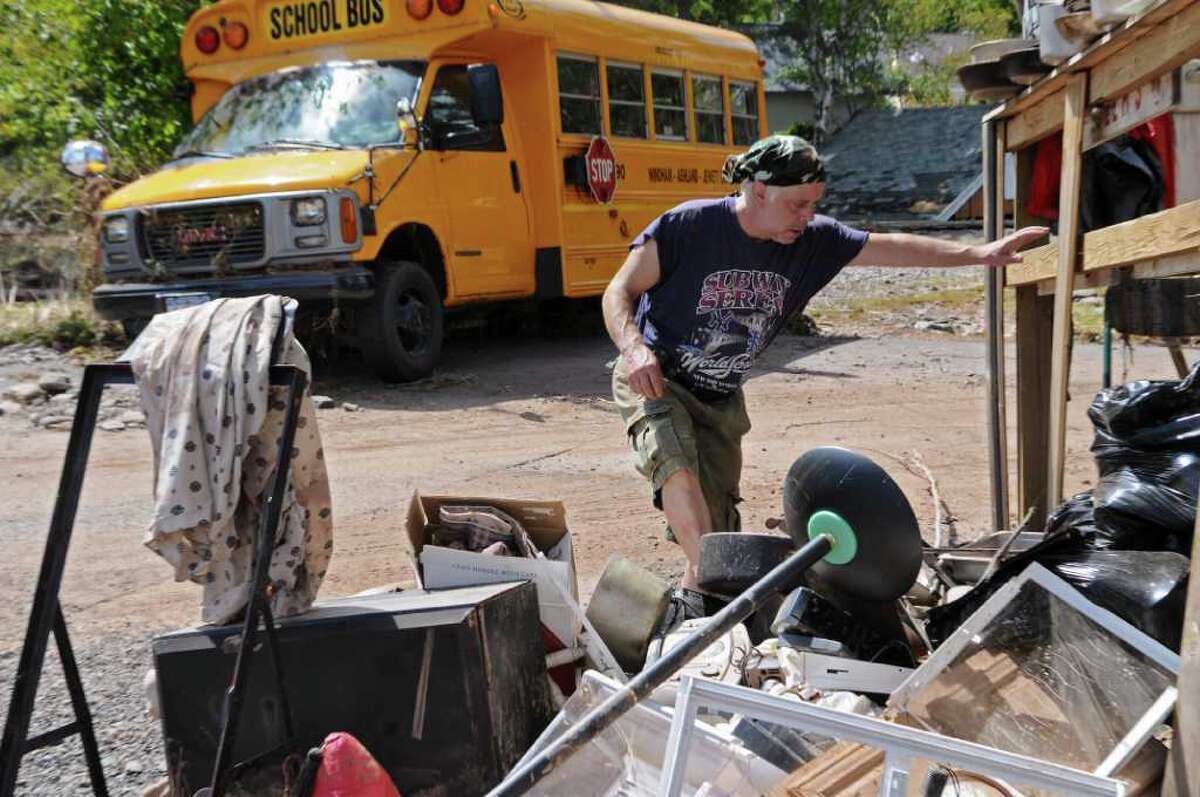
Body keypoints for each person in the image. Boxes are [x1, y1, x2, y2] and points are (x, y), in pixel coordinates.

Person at [602, 135, 1047, 620]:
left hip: (720, 396)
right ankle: (731, 612)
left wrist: (981, 255)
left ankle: (695, 616)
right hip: (656, 376)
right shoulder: (689, 226)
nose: (806, 217)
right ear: (757, 191)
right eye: (796, 205)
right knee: (676, 465)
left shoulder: (812, 242)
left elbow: (892, 248)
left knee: (719, 526)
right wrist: (633, 346)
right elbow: (618, 290)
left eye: (814, 205)